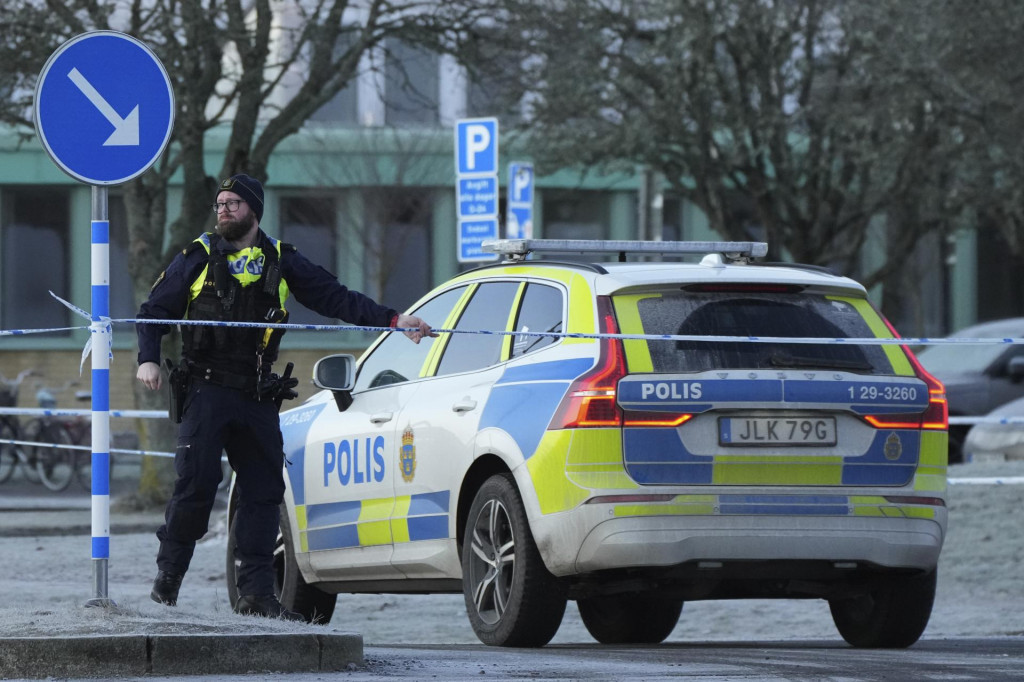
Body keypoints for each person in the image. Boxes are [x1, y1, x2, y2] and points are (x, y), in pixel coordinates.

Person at [136, 173, 434, 620]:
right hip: (206, 388)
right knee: (195, 486)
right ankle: (168, 583)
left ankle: (256, 597)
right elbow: (153, 311)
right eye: (220, 203)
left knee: (264, 492)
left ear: (254, 211)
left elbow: (335, 298)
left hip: (257, 394)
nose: (224, 210)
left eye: (234, 203)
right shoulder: (196, 257)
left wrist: (393, 320)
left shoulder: (282, 259)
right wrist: (148, 359)